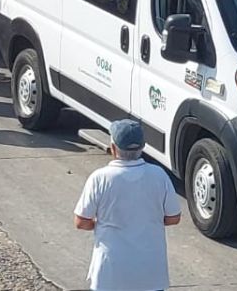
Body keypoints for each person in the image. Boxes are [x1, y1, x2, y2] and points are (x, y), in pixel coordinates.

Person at [73, 119, 180, 291]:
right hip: (151, 274)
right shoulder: (159, 175)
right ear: (142, 147)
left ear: (113, 148)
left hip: (110, 273)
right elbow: (173, 218)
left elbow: (81, 221)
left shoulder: (99, 178)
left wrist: (101, 225)